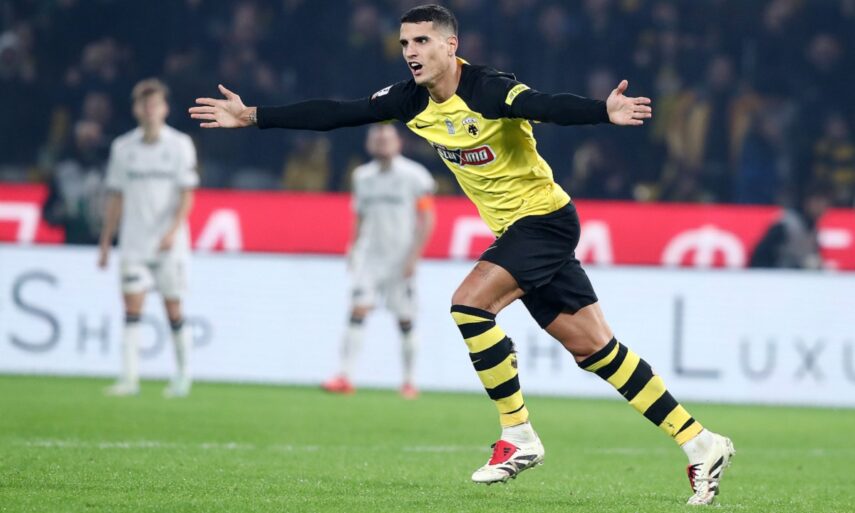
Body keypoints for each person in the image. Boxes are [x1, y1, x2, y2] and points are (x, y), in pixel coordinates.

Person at [189, 4, 733, 505]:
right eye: (405, 42)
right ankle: (701, 442)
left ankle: (518, 435)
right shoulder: (410, 99)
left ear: (451, 45)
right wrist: (252, 115)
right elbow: (337, 112)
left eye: (422, 41)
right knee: (597, 351)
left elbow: (544, 105)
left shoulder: (488, 89)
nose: (411, 51)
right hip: (522, 230)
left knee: (469, 305)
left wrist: (601, 111)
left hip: (543, 222)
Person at [100, 78, 198, 398]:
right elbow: (115, 196)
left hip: (170, 244)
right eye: (144, 104)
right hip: (134, 242)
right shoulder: (122, 148)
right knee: (132, 309)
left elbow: (187, 194)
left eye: (155, 103)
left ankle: (183, 375)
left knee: (173, 309)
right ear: (136, 109)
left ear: (165, 108)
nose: (150, 109)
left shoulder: (179, 145)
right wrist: (106, 241)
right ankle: (129, 379)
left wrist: (172, 231)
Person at [322, 124, 436, 399]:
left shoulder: (415, 175)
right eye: (377, 139)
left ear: (399, 142)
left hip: (400, 258)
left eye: (387, 139)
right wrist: (352, 249)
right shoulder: (362, 176)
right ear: (368, 144)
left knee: (405, 319)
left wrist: (414, 257)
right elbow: (359, 216)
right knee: (357, 310)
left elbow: (427, 218)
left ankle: (409, 381)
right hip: (369, 258)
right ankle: (345, 376)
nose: (382, 143)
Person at [749, 183, 832, 269]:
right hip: (779, 272)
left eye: (825, 205)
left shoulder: (813, 228)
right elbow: (761, 254)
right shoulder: (786, 224)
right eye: (818, 202)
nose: (821, 208)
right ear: (807, 202)